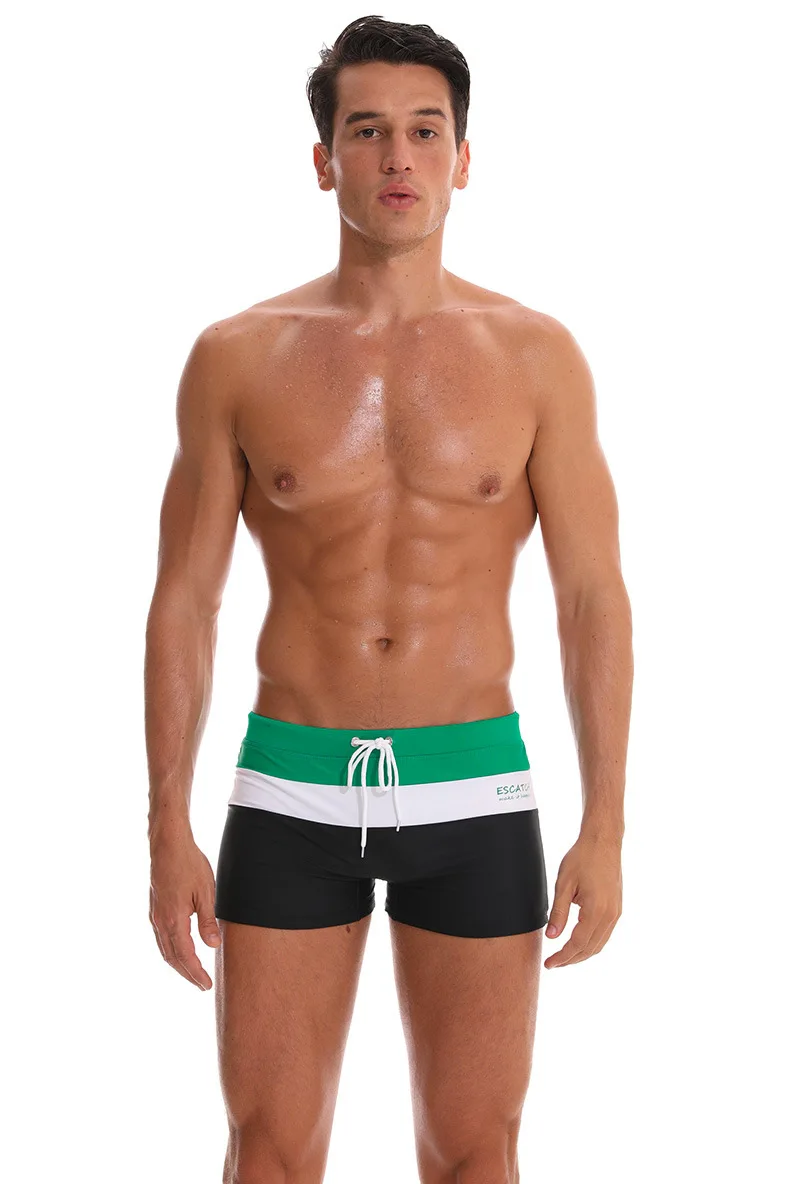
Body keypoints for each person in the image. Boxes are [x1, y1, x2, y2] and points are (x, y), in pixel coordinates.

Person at [145, 14, 633, 1183]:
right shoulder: (237, 355)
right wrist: (165, 825)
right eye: (366, 132)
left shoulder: (536, 357)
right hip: (290, 783)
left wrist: (606, 824)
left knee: (474, 1153)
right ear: (324, 161)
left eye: (424, 130)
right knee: (267, 1151)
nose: (398, 156)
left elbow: (589, 597)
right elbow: (183, 602)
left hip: (472, 785)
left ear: (464, 157)